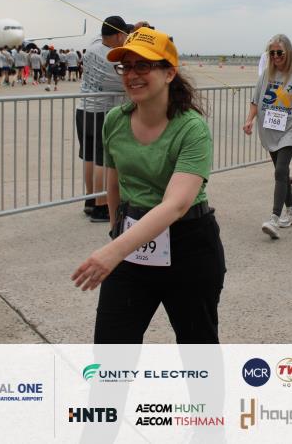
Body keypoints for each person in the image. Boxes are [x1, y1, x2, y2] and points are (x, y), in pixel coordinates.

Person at [72, 27, 225, 344]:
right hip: (130, 246)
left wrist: (113, 250)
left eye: (143, 65)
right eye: (126, 66)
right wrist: (117, 233)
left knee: (198, 349)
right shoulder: (115, 120)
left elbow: (176, 204)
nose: (132, 75)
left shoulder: (192, 129)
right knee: (111, 351)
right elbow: (114, 183)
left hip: (189, 248)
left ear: (169, 73)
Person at [242, 34, 292, 238]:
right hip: (269, 129)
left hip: (290, 128)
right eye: (271, 53)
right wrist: (249, 120)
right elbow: (256, 100)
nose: (275, 56)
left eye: (279, 52)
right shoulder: (267, 73)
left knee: (281, 169)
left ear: (288, 52)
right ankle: (291, 211)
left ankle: (274, 218)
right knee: (281, 172)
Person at [77, 16, 131, 223]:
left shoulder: (92, 48)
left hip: (83, 109)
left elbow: (101, 35)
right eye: (124, 35)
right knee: (102, 160)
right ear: (118, 35)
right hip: (102, 111)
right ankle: (101, 206)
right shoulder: (114, 61)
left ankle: (90, 200)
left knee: (88, 157)